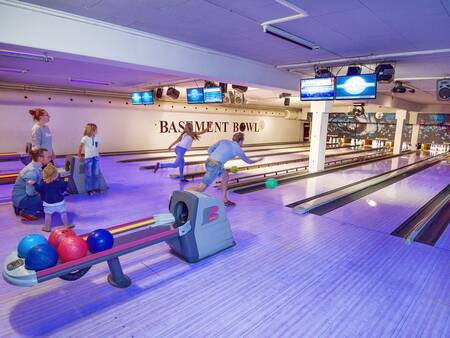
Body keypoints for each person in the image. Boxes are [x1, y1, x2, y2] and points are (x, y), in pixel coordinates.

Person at [188, 132, 263, 206]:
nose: (242, 144)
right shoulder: (238, 149)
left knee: (225, 176)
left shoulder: (223, 141)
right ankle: (181, 193)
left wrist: (213, 158)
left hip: (209, 161)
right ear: (240, 141)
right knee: (201, 188)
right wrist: (257, 160)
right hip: (215, 166)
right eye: (242, 142)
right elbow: (248, 161)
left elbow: (210, 149)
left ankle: (224, 199)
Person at [12, 148, 50, 221]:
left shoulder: (35, 166)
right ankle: (27, 213)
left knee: (46, 205)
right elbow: (30, 193)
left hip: (20, 196)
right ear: (40, 158)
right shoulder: (32, 172)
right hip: (22, 198)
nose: (49, 158)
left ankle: (21, 206)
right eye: (48, 157)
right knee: (46, 197)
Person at [35, 164, 72, 232]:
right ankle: (67, 225)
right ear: (56, 174)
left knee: (48, 215)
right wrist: (66, 182)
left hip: (48, 203)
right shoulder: (59, 182)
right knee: (63, 213)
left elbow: (39, 190)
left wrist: (34, 184)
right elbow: (64, 189)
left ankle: (47, 227)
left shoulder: (43, 183)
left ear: (44, 175)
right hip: (59, 202)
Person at [78, 123, 101, 195]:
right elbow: (80, 147)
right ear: (89, 130)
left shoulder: (97, 137)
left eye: (95, 130)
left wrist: (98, 154)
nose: (95, 131)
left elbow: (97, 146)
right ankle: (89, 189)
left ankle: (96, 187)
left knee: (96, 173)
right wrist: (79, 155)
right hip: (88, 158)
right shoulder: (85, 138)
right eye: (93, 130)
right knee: (89, 174)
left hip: (96, 157)